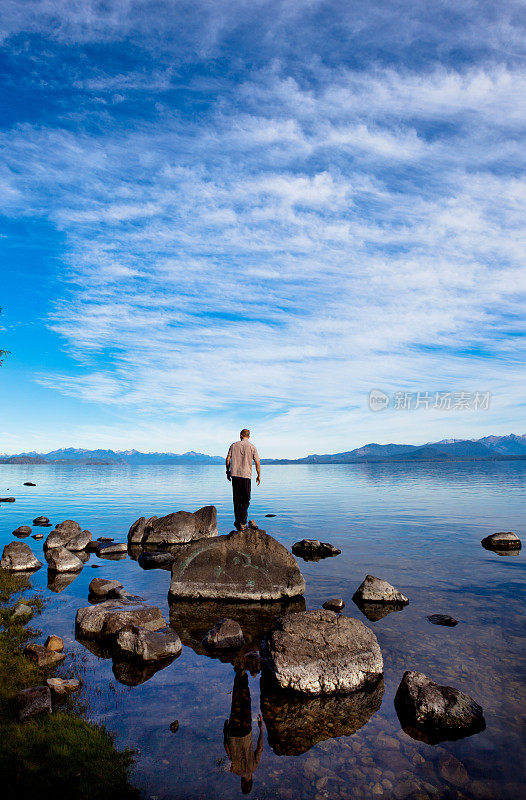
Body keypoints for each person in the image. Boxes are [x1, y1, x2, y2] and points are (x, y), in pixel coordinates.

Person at [223, 667, 264, 795]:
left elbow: (260, 747)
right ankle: (239, 673)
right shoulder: (234, 770)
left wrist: (261, 728)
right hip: (233, 733)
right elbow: (227, 749)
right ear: (242, 782)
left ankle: (243, 674)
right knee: (235, 701)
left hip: (246, 731)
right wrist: (225, 732)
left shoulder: (254, 767)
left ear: (251, 781)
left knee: (245, 701)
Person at [226, 429, 261, 531]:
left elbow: (228, 459)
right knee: (246, 499)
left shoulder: (233, 445)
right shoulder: (252, 447)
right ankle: (243, 522)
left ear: (240, 435)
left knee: (236, 499)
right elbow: (257, 462)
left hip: (235, 475)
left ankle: (238, 522)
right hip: (246, 476)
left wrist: (227, 471)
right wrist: (259, 475)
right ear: (248, 436)